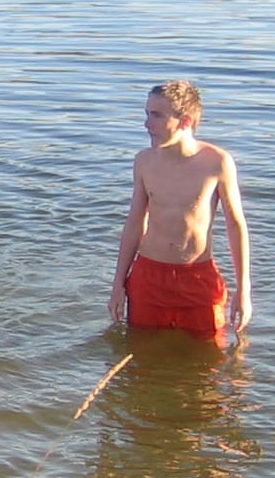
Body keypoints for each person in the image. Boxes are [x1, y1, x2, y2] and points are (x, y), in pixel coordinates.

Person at [108, 79, 252, 340]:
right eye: (147, 114)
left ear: (185, 121)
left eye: (157, 115)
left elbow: (235, 225)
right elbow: (135, 222)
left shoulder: (217, 162)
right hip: (148, 276)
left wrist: (244, 290)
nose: (146, 124)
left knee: (210, 354)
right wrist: (118, 283)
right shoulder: (144, 161)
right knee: (141, 353)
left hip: (197, 276)